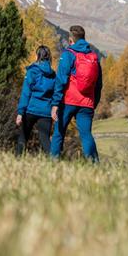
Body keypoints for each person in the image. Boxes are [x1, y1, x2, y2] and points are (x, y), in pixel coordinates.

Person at [50, 25, 102, 162]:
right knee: (86, 135)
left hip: (68, 101)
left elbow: (61, 79)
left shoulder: (68, 54)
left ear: (71, 40)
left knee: (58, 133)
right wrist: (94, 102)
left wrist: (55, 103)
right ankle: (94, 164)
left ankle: (53, 162)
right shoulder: (94, 57)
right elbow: (98, 84)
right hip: (87, 103)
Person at [16, 46, 56, 155]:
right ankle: (54, 162)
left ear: (37, 56)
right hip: (46, 111)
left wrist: (20, 112)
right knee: (45, 139)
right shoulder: (53, 74)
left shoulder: (32, 71)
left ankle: (17, 159)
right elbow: (56, 94)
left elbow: (26, 92)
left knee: (23, 136)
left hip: (31, 109)